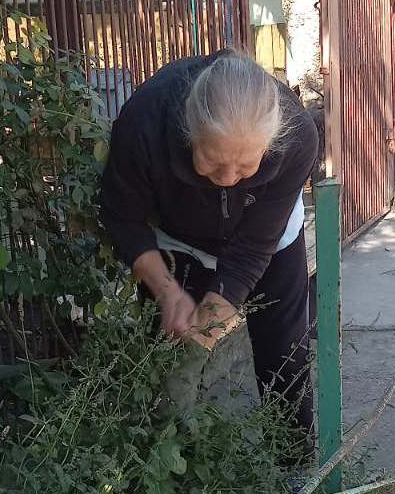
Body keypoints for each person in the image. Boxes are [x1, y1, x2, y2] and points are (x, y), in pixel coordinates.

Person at [100, 50, 319, 459]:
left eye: (246, 166)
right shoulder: (144, 123)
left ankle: (296, 476)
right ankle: (169, 470)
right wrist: (166, 292)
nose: (228, 178)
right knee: (168, 362)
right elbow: (122, 219)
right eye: (213, 162)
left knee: (285, 357)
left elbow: (253, 250)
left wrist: (216, 310)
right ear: (189, 131)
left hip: (269, 241)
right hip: (177, 242)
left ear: (270, 144)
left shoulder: (298, 136)